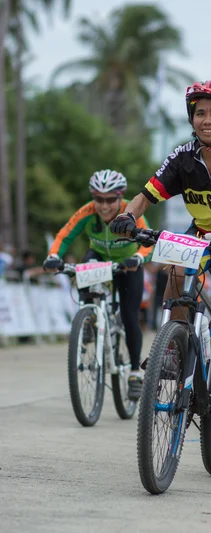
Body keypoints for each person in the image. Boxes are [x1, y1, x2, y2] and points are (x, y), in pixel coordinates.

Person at [110, 79, 211, 454]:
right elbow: (147, 194)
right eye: (200, 113)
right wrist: (127, 215)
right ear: (192, 118)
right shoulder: (182, 156)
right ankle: (175, 344)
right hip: (202, 238)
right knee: (172, 261)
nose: (207, 120)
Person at [43, 169, 153, 402]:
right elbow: (65, 235)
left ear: (120, 197)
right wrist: (53, 256)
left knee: (129, 315)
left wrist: (139, 258)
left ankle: (134, 372)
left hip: (128, 264)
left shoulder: (130, 211)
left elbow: (148, 243)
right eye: (99, 199)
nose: (104, 206)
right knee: (86, 263)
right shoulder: (87, 211)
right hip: (99, 257)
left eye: (110, 199)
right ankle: (89, 318)